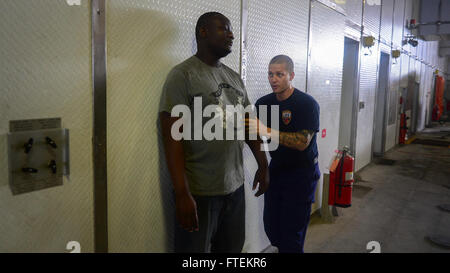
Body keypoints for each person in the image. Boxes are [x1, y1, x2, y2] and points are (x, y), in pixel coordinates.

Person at [159, 12, 269, 253]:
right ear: (203, 31)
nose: (230, 35)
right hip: (200, 192)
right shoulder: (183, 75)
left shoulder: (234, 77)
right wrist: (182, 193)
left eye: (231, 30)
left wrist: (263, 164)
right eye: (223, 29)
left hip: (235, 187)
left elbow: (248, 125)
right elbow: (172, 139)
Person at [247, 55, 321, 253]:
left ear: (291, 75)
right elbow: (256, 136)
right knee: (272, 228)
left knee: (291, 235)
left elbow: (301, 143)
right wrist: (262, 167)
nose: (273, 79)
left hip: (302, 173)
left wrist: (266, 130)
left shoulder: (306, 104)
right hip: (277, 169)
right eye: (270, 74)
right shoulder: (263, 103)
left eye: (280, 74)